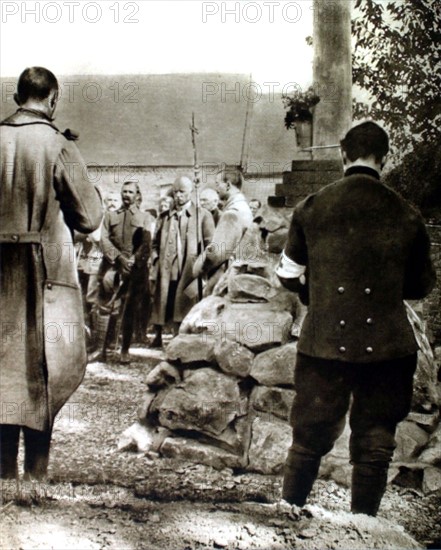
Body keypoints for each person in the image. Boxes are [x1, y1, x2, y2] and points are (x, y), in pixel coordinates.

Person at [276, 121, 436, 516]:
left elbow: (286, 275)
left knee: (308, 438)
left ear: (342, 154)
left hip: (323, 343)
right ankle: (364, 531)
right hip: (388, 349)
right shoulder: (407, 214)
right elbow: (419, 287)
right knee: (375, 443)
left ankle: (287, 516)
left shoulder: (310, 208)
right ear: (385, 158)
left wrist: (318, 296)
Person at [0, 67, 103, 480]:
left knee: (3, 373)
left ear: (16, 97)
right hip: (47, 277)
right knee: (46, 369)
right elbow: (91, 217)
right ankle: (37, 477)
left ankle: (3, 477)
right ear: (53, 100)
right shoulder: (59, 146)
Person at [150, 176, 215, 347]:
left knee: (184, 300)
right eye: (176, 192)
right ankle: (157, 336)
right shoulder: (164, 217)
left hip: (188, 269)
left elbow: (211, 245)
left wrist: (203, 267)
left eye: (182, 192)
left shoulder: (202, 216)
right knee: (165, 298)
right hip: (166, 268)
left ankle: (179, 337)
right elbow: (154, 244)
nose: (178, 196)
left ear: (191, 192)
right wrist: (156, 261)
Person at [99, 181, 152, 363]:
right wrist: (119, 258)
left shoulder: (145, 217)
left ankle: (125, 350)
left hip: (136, 271)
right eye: (124, 191)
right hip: (113, 267)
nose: (126, 195)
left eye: (130, 192)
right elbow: (104, 240)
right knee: (108, 307)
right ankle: (103, 348)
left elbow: (146, 244)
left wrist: (134, 260)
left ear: (137, 195)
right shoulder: (110, 216)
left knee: (129, 310)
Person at [193, 168, 253, 294]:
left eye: (217, 183)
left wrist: (199, 267)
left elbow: (216, 253)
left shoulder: (232, 213)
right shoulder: (244, 208)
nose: (216, 188)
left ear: (228, 185)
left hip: (224, 276)